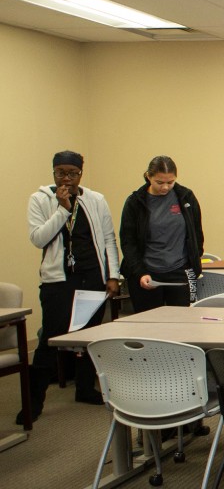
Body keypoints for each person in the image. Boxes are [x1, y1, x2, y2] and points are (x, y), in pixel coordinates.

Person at [20, 150, 121, 424]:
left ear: (81, 174)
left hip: (92, 277)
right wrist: (62, 209)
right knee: (50, 338)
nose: (67, 178)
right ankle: (34, 402)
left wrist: (113, 275)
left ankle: (85, 388)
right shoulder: (40, 199)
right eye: (61, 173)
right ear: (53, 173)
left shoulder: (96, 199)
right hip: (59, 280)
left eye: (73, 173)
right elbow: (38, 239)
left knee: (89, 336)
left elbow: (109, 239)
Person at [120, 156, 205, 312]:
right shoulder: (135, 202)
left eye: (170, 182)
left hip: (180, 270)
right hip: (147, 272)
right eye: (159, 182)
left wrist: (193, 259)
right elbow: (128, 242)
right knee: (149, 321)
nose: (165, 187)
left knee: (182, 319)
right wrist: (140, 272)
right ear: (148, 177)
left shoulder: (186, 197)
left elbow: (196, 233)